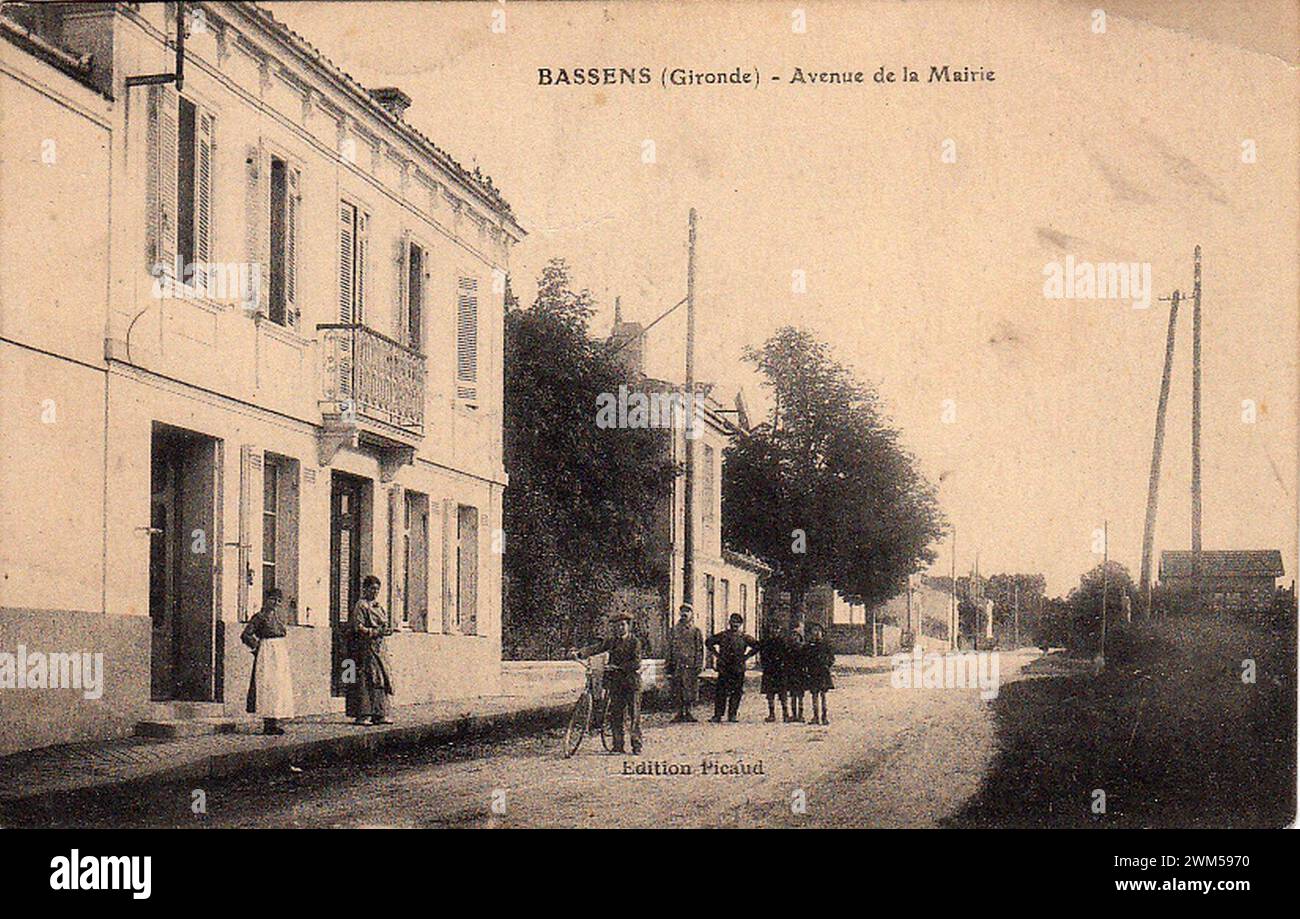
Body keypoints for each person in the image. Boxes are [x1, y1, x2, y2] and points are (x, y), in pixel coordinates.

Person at [573, 612, 643, 754]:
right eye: (617, 626)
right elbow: (597, 648)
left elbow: (636, 663)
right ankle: (618, 746)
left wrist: (618, 667)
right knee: (616, 715)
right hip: (616, 684)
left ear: (627, 626)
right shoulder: (611, 641)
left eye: (622, 625)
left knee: (634, 715)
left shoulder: (634, 642)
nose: (620, 629)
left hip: (631, 684)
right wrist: (580, 653)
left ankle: (636, 745)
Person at [241, 588, 294, 735]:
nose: (275, 603)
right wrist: (257, 646)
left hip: (279, 652)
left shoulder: (278, 618)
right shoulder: (259, 617)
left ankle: (274, 722)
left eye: (278, 601)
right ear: (266, 599)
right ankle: (267, 723)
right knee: (268, 685)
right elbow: (246, 635)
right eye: (272, 599)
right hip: (268, 652)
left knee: (278, 686)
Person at [346, 574, 394, 725]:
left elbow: (385, 624)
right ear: (365, 589)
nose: (374, 592)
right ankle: (363, 714)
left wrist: (386, 630)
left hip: (379, 647)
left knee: (381, 677)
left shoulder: (378, 606)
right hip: (365, 647)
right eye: (372, 589)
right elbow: (358, 627)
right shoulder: (361, 605)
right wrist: (373, 632)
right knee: (366, 678)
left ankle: (379, 713)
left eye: (377, 590)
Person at [706, 613, 759, 723]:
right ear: (729, 622)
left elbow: (757, 646)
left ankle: (732, 715)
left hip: (738, 668)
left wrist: (746, 656)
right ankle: (718, 715)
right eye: (733, 622)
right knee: (721, 692)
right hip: (724, 667)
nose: (735, 624)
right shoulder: (723, 635)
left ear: (740, 624)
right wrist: (717, 655)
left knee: (736, 692)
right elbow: (709, 642)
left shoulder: (744, 637)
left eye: (737, 622)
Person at [666, 603, 704, 723]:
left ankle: (688, 712)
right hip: (677, 664)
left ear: (691, 614)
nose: (684, 614)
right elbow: (669, 648)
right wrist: (668, 664)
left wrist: (699, 664)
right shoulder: (674, 630)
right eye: (682, 611)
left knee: (690, 688)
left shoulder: (696, 631)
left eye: (687, 611)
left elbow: (699, 649)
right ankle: (678, 712)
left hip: (690, 665)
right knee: (677, 688)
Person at [804, 623, 835, 725]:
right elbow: (806, 659)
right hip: (813, 672)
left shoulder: (826, 645)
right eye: (814, 630)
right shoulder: (809, 646)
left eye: (818, 631)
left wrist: (827, 665)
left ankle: (824, 716)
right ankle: (815, 716)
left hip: (823, 672)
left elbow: (832, 658)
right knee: (814, 695)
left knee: (823, 695)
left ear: (822, 633)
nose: (816, 633)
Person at [758, 622, 788, 723]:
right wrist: (765, 665)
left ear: (779, 630)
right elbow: (762, 655)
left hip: (780, 670)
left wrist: (784, 665)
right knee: (770, 693)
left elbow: (786, 655)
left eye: (777, 629)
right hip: (769, 670)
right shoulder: (765, 642)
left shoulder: (783, 642)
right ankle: (772, 714)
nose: (774, 631)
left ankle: (785, 713)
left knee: (783, 693)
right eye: (772, 628)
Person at [785, 625, 806, 722]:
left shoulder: (803, 649)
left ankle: (800, 715)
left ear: (800, 638)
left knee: (800, 696)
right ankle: (794, 715)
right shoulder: (788, 649)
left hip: (800, 674)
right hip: (791, 674)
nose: (794, 638)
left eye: (796, 636)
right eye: (793, 636)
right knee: (793, 695)